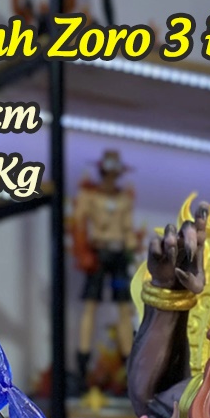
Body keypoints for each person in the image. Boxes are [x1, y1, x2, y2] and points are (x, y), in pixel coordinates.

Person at [72, 149, 139, 388]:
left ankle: (129, 365)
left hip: (119, 255)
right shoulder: (90, 196)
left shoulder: (124, 199)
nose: (111, 176)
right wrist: (83, 249)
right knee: (90, 305)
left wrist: (133, 248)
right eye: (108, 171)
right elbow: (79, 222)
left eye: (115, 172)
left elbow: (128, 229)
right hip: (98, 255)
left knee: (124, 307)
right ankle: (82, 363)